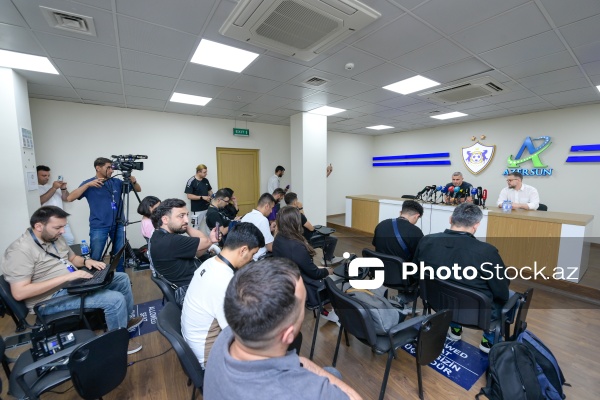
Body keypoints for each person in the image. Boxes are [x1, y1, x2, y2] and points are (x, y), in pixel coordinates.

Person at [203, 257, 362, 400]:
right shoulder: (308, 393)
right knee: (333, 373)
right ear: (287, 335)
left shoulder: (226, 336)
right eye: (302, 308)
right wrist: (304, 364)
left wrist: (298, 362)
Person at [1, 206, 143, 354]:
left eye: (64, 226)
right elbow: (20, 292)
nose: (63, 231)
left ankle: (123, 322)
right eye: (58, 227)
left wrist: (87, 261)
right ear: (38, 226)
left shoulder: (53, 237)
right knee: (114, 299)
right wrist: (68, 277)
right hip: (49, 300)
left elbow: (72, 258)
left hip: (72, 285)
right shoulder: (20, 251)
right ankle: (118, 344)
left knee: (121, 279)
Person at [413, 203, 510, 353]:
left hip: (437, 303)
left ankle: (455, 329)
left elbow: (415, 272)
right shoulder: (487, 252)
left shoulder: (426, 241)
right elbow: (501, 292)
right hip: (476, 314)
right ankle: (488, 341)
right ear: (476, 225)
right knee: (508, 298)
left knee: (450, 287)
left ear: (450, 219)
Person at [181, 222, 265, 367]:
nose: (252, 259)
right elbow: (236, 334)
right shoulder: (224, 282)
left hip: (192, 344)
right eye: (252, 254)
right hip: (207, 358)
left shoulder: (209, 263)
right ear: (243, 250)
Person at [67, 157, 141, 272]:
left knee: (119, 254)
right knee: (96, 255)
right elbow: (70, 198)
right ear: (98, 168)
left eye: (112, 168)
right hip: (99, 226)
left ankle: (121, 276)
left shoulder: (116, 182)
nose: (112, 170)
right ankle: (94, 277)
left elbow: (138, 189)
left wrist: (134, 181)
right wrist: (87, 185)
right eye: (108, 168)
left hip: (118, 224)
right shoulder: (89, 183)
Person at [272, 207, 338, 323]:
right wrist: (328, 271)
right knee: (334, 280)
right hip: (303, 282)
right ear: (295, 222)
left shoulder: (278, 238)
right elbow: (315, 273)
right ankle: (329, 312)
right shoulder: (296, 245)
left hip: (288, 277)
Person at [149, 198, 218, 288]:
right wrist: (186, 227)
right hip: (194, 288)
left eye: (187, 215)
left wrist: (182, 224)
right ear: (165, 219)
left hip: (193, 281)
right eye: (181, 216)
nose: (187, 220)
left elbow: (197, 254)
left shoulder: (157, 235)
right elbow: (206, 241)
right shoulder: (172, 241)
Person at [284, 192, 344, 265]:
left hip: (295, 239)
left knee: (324, 235)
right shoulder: (298, 215)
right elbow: (311, 228)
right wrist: (300, 208)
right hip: (307, 240)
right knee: (333, 239)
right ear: (295, 202)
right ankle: (328, 259)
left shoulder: (284, 213)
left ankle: (330, 256)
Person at [37, 165, 74, 245]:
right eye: (44, 175)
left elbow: (66, 198)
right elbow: (40, 201)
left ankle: (68, 254)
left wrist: (63, 189)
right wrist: (54, 188)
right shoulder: (34, 189)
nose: (47, 178)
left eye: (48, 176)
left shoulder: (51, 186)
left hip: (62, 219)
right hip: (48, 222)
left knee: (69, 240)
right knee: (53, 243)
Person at [240, 193, 275, 261]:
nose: (271, 211)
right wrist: (276, 231)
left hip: (246, 258)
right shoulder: (263, 220)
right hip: (259, 259)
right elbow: (270, 247)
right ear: (267, 206)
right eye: (271, 208)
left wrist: (269, 229)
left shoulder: (246, 216)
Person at [184, 164, 213, 234]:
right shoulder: (191, 181)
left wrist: (212, 197)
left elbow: (209, 191)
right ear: (198, 172)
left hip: (207, 208)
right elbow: (189, 196)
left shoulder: (205, 180)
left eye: (206, 172)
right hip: (197, 210)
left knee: (209, 225)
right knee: (195, 227)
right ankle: (194, 240)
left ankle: (211, 240)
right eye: (204, 172)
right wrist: (202, 197)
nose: (206, 174)